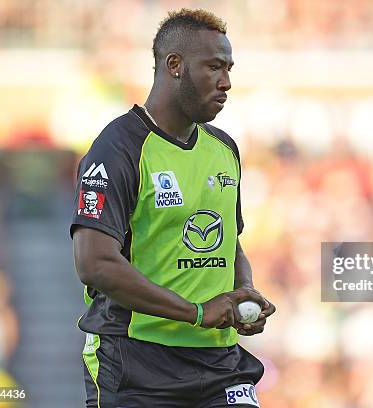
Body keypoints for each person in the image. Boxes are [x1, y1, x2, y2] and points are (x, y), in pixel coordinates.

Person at [70, 9, 275, 407]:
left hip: (219, 363)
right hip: (136, 365)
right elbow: (94, 264)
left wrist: (243, 289)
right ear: (175, 65)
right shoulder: (119, 147)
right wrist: (196, 312)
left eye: (229, 68)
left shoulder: (223, 149)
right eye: (214, 67)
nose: (226, 82)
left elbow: (228, 243)